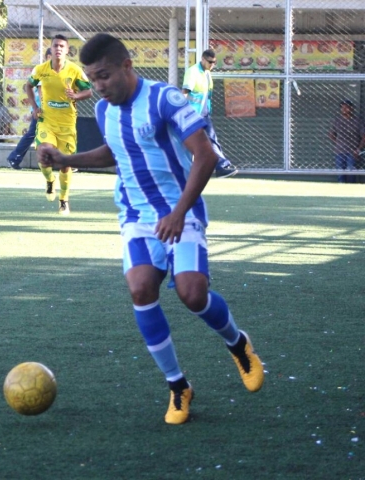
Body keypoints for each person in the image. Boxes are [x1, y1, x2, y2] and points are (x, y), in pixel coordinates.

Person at [38, 33, 264, 425]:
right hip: (136, 216)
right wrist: (65, 159)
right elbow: (115, 150)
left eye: (104, 76)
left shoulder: (165, 99)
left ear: (127, 65)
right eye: (92, 79)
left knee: (193, 294)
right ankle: (178, 386)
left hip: (181, 211)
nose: (98, 86)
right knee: (141, 288)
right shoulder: (107, 111)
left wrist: (178, 211)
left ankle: (238, 343)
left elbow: (205, 155)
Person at [26, 35, 92, 215]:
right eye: (56, 45)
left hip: (67, 124)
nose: (58, 49)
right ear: (51, 48)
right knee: (44, 153)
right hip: (47, 120)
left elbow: (88, 91)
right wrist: (35, 107)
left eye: (62, 46)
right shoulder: (41, 70)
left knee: (65, 164)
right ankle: (49, 180)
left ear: (67, 50)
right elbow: (28, 86)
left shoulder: (75, 70)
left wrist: (76, 96)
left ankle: (64, 200)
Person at [182, 49, 239, 178]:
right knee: (188, 143)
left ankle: (221, 167)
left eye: (214, 62)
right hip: (192, 114)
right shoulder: (193, 72)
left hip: (203, 114)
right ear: (202, 59)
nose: (212, 65)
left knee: (211, 140)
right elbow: (185, 92)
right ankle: (184, 170)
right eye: (210, 62)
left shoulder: (207, 73)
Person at [7, 48, 52, 170]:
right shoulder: (43, 71)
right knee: (32, 134)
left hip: (52, 109)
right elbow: (40, 90)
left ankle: (64, 162)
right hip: (42, 110)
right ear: (48, 57)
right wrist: (38, 108)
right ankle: (14, 157)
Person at [328, 99, 365, 183]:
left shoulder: (357, 121)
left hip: (353, 151)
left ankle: (351, 187)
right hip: (339, 151)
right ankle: (341, 186)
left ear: (351, 108)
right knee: (340, 170)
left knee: (351, 170)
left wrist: (358, 149)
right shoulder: (337, 121)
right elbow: (331, 134)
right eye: (342, 107)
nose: (344, 109)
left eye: (347, 107)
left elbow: (364, 137)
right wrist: (337, 143)